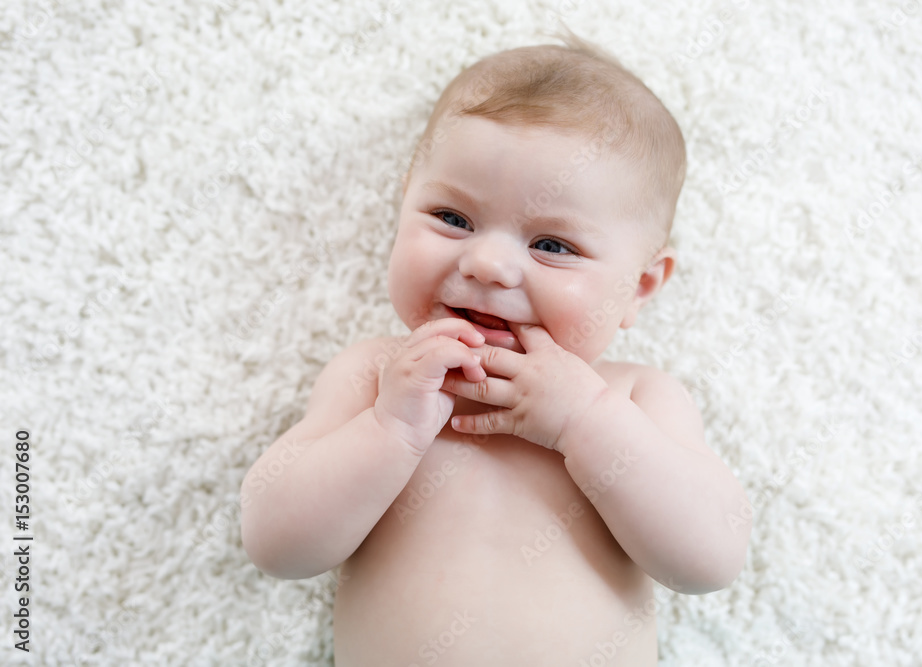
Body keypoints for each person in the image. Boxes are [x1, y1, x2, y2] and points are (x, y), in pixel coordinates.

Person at [241, 30, 751, 666]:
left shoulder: (635, 397)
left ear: (638, 287)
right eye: (453, 218)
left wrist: (586, 421)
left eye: (553, 245)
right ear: (404, 206)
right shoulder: (375, 378)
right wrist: (390, 431)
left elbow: (710, 560)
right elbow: (276, 546)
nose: (486, 263)